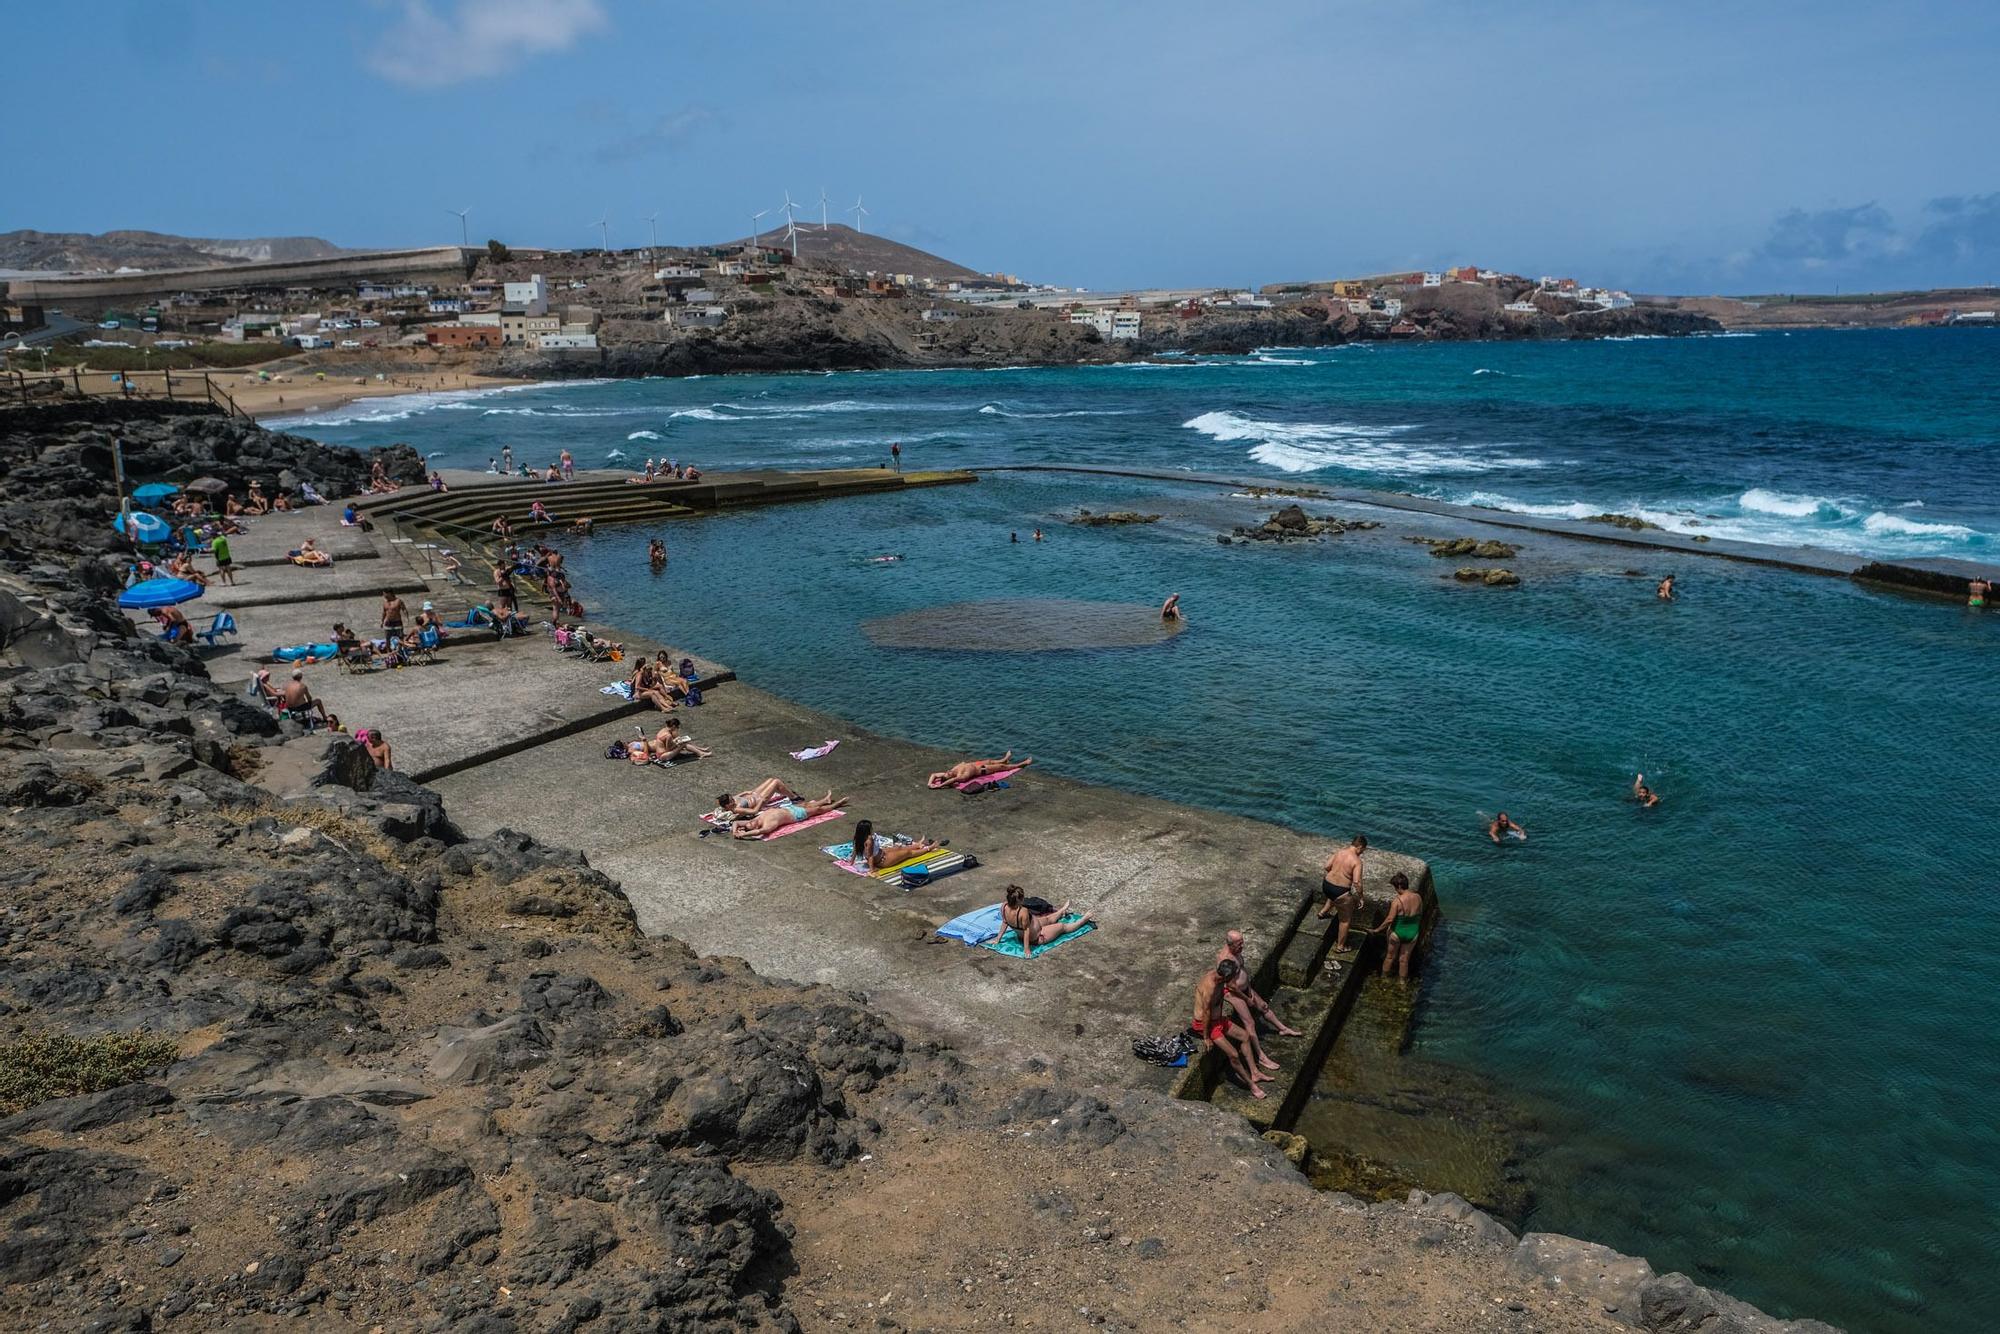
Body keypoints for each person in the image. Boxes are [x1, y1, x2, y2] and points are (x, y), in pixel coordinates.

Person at [1193, 958, 1268, 1099]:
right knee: (1233, 1054)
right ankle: (1252, 1085)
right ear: (1226, 976)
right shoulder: (1210, 986)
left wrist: (1246, 999)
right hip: (1206, 1024)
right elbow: (1206, 1013)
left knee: (1245, 1036)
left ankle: (1255, 1072)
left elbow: (1232, 987)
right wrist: (1206, 1037)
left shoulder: (1223, 977)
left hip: (1219, 1020)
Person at [1216, 930, 1302, 1036]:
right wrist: (1247, 999)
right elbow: (1231, 986)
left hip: (1245, 988)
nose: (1242, 946)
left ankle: (1283, 1029)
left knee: (1263, 1006)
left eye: (1242, 942)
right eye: (1239, 944)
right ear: (1231, 945)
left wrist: (1250, 989)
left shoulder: (1236, 951)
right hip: (1233, 993)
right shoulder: (1226, 959)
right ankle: (1258, 1051)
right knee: (1249, 1022)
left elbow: (1242, 971)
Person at [1000, 883, 1094, 955]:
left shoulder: (1004, 906)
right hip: (1037, 937)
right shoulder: (1023, 911)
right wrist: (1026, 949)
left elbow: (1005, 922)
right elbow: (1026, 931)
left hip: (1033, 927)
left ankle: (1061, 911)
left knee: (1048, 919)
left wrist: (997, 939)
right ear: (1020, 900)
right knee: (1062, 926)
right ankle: (1083, 920)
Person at [1316, 834, 1367, 951]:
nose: (1362, 853)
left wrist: (1335, 874)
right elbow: (1357, 882)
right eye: (1362, 850)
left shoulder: (1339, 852)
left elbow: (1327, 866)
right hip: (1340, 891)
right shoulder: (1357, 861)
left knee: (1335, 897)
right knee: (1345, 919)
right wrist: (1361, 897)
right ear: (1359, 847)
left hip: (1326, 885)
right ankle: (1340, 946)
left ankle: (1323, 912)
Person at [730, 790, 846, 839]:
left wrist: (735, 832)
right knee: (818, 809)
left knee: (807, 804)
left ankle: (826, 800)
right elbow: (758, 832)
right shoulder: (766, 825)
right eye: (752, 824)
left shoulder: (757, 820)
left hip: (788, 808)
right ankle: (837, 804)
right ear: (754, 828)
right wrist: (744, 835)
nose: (752, 822)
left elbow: (736, 822)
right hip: (796, 815)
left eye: (750, 822)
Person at [1375, 872, 1424, 979]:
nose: (1395, 891)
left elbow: (1390, 919)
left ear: (1399, 886)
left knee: (1390, 957)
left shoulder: (1397, 901)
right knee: (1404, 960)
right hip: (1413, 932)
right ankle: (1402, 983)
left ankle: (1383, 978)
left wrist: (1378, 930)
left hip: (1397, 932)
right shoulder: (1418, 897)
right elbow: (1420, 914)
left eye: (1395, 888)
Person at [849, 818, 941, 873]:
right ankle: (930, 848)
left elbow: (855, 849)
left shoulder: (858, 837)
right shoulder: (869, 840)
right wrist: (872, 869)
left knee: (899, 848)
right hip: (882, 861)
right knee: (908, 853)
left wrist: (851, 861)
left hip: (882, 853)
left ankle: (918, 844)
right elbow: (870, 856)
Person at [927, 752, 1032, 788]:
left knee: (990, 760)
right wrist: (940, 786)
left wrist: (930, 784)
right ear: (951, 778)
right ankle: (1022, 764)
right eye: (948, 774)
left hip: (975, 764)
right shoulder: (960, 777)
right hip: (982, 770)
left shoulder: (950, 772)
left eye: (947, 772)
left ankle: (1004, 759)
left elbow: (934, 775)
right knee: (1001, 768)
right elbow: (952, 781)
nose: (948, 772)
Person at [718, 778, 800, 817]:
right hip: (759, 800)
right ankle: (793, 797)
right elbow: (754, 811)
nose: (733, 799)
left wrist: (746, 792)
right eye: (731, 800)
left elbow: (738, 796)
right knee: (776, 782)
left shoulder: (732, 802)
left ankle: (786, 792)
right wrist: (761, 801)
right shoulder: (736, 809)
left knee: (771, 779)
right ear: (727, 805)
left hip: (754, 794)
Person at [644, 718, 711, 762]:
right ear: (673, 726)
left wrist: (676, 740)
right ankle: (701, 753)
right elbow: (668, 749)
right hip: (663, 755)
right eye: (677, 727)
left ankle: (700, 751)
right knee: (684, 744)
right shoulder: (668, 735)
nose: (677, 729)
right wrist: (677, 743)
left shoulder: (663, 730)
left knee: (684, 742)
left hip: (660, 753)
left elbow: (665, 744)